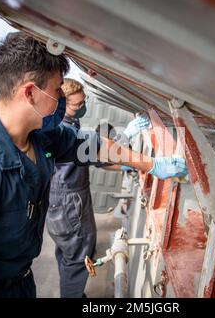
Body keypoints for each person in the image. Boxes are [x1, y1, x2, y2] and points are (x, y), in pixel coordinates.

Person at [0, 32, 187, 298]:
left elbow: (95, 145)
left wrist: (152, 164)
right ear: (29, 92)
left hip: (22, 281)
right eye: (57, 88)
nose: (61, 96)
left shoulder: (39, 137)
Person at [46, 79, 150, 298]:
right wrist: (126, 136)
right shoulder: (62, 129)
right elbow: (94, 152)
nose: (81, 107)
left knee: (68, 254)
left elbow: (94, 159)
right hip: (70, 203)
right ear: (62, 103)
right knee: (78, 257)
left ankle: (71, 292)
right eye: (76, 105)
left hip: (64, 201)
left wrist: (127, 163)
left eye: (83, 102)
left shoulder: (65, 124)